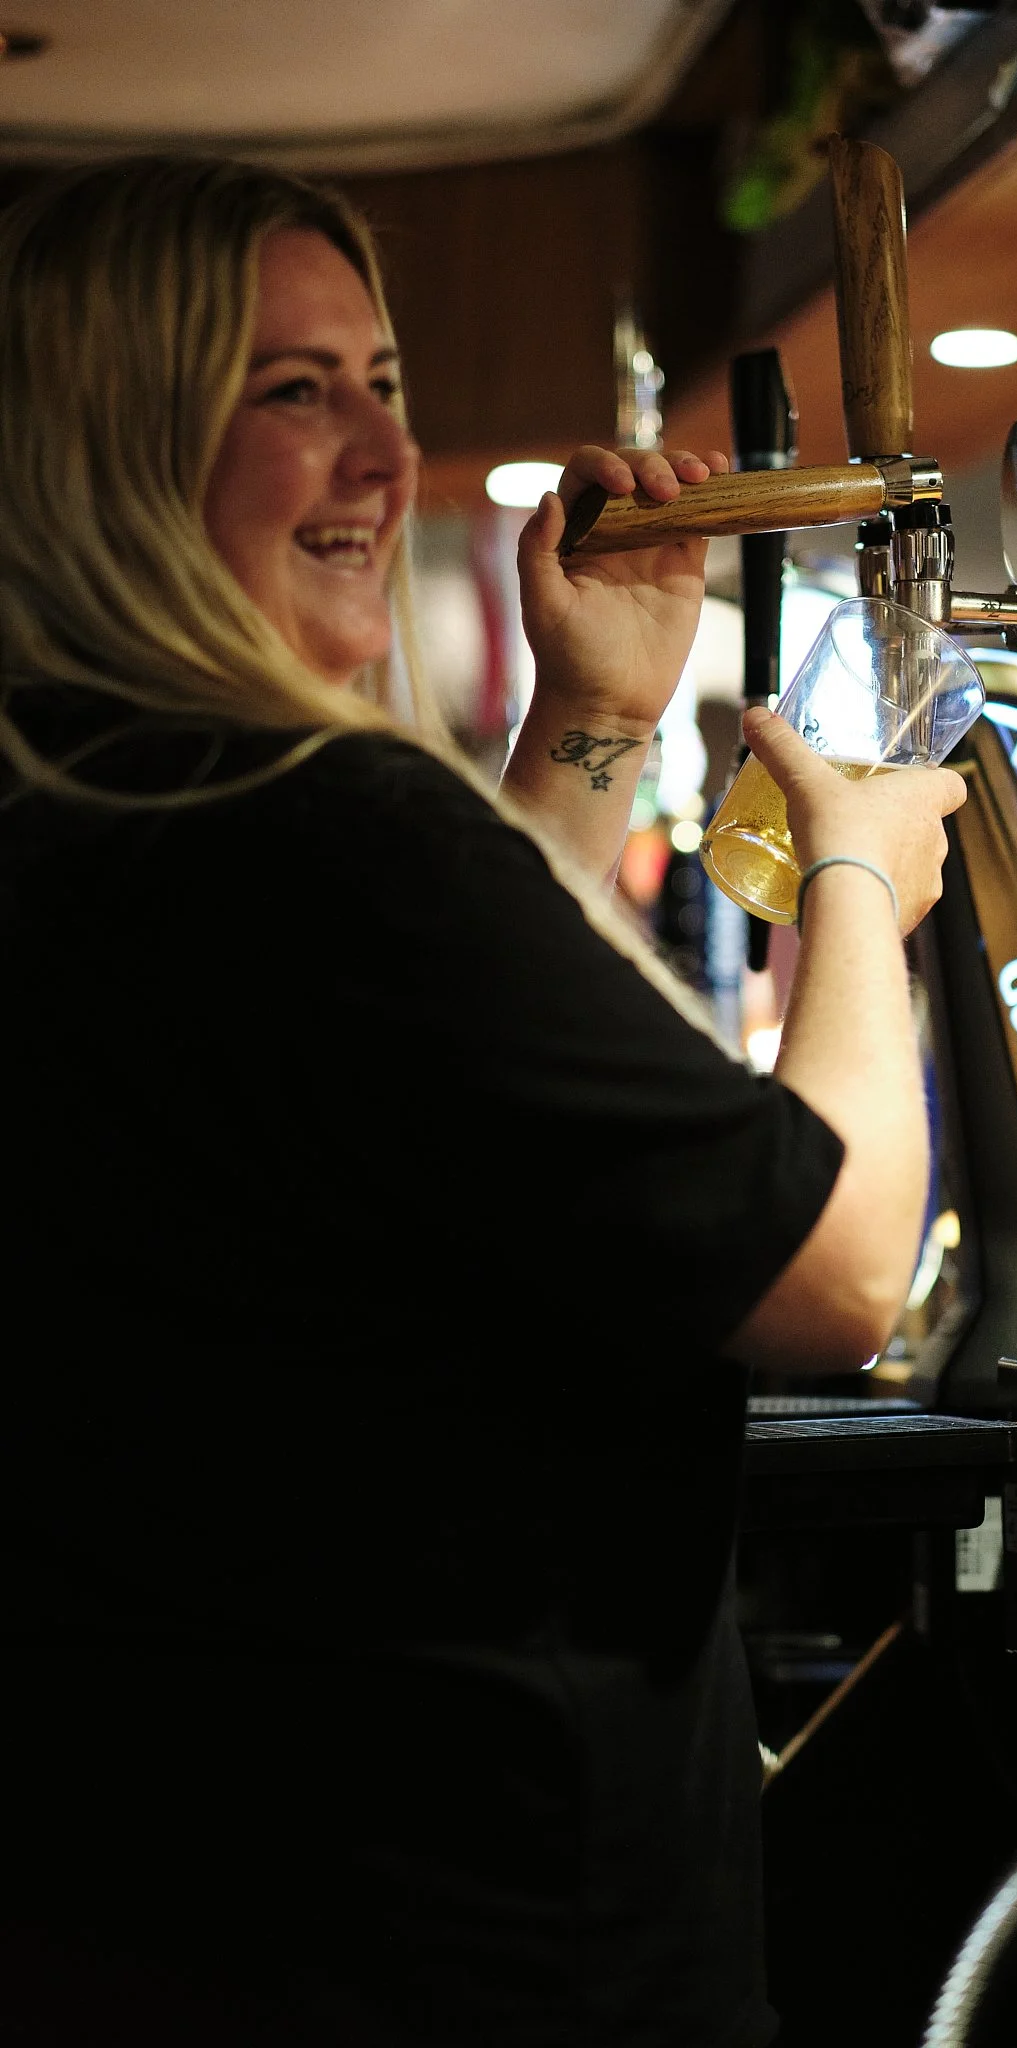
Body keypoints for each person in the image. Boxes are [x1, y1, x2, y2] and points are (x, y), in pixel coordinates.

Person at [0, 155, 966, 2046]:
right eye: (292, 392)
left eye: (382, 380)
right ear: (113, 444)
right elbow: (842, 1265)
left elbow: (445, 1092)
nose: (380, 450)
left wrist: (588, 725)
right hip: (470, 1931)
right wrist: (856, 880)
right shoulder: (320, 829)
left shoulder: (96, 811)